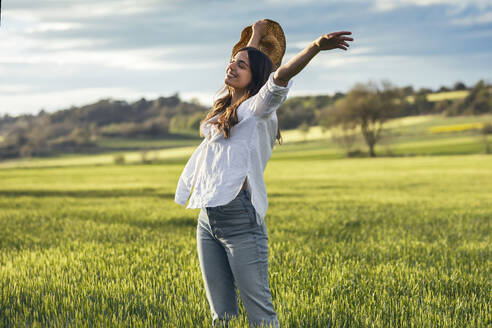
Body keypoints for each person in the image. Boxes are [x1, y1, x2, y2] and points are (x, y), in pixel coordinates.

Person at [175, 19, 353, 328]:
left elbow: (279, 75)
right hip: (208, 218)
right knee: (222, 314)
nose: (232, 65)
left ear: (255, 76)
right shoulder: (225, 106)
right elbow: (250, 63)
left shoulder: (259, 109)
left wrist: (314, 47)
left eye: (240, 65)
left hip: (240, 218)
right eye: (232, 61)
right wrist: (255, 36)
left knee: (260, 314)